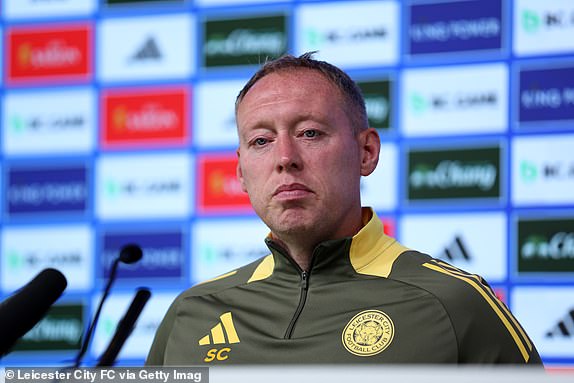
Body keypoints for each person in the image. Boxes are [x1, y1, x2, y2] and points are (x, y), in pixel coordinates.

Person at [146, 53, 542, 365]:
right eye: (261, 141)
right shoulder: (191, 312)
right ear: (241, 171)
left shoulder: (454, 304)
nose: (285, 157)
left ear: (366, 152)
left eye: (310, 133)